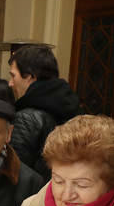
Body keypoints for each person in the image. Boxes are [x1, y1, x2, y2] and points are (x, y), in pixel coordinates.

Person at [8, 45, 79, 180]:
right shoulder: (70, 106)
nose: (10, 83)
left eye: (13, 76)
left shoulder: (27, 118)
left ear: (29, 77)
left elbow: (15, 173)